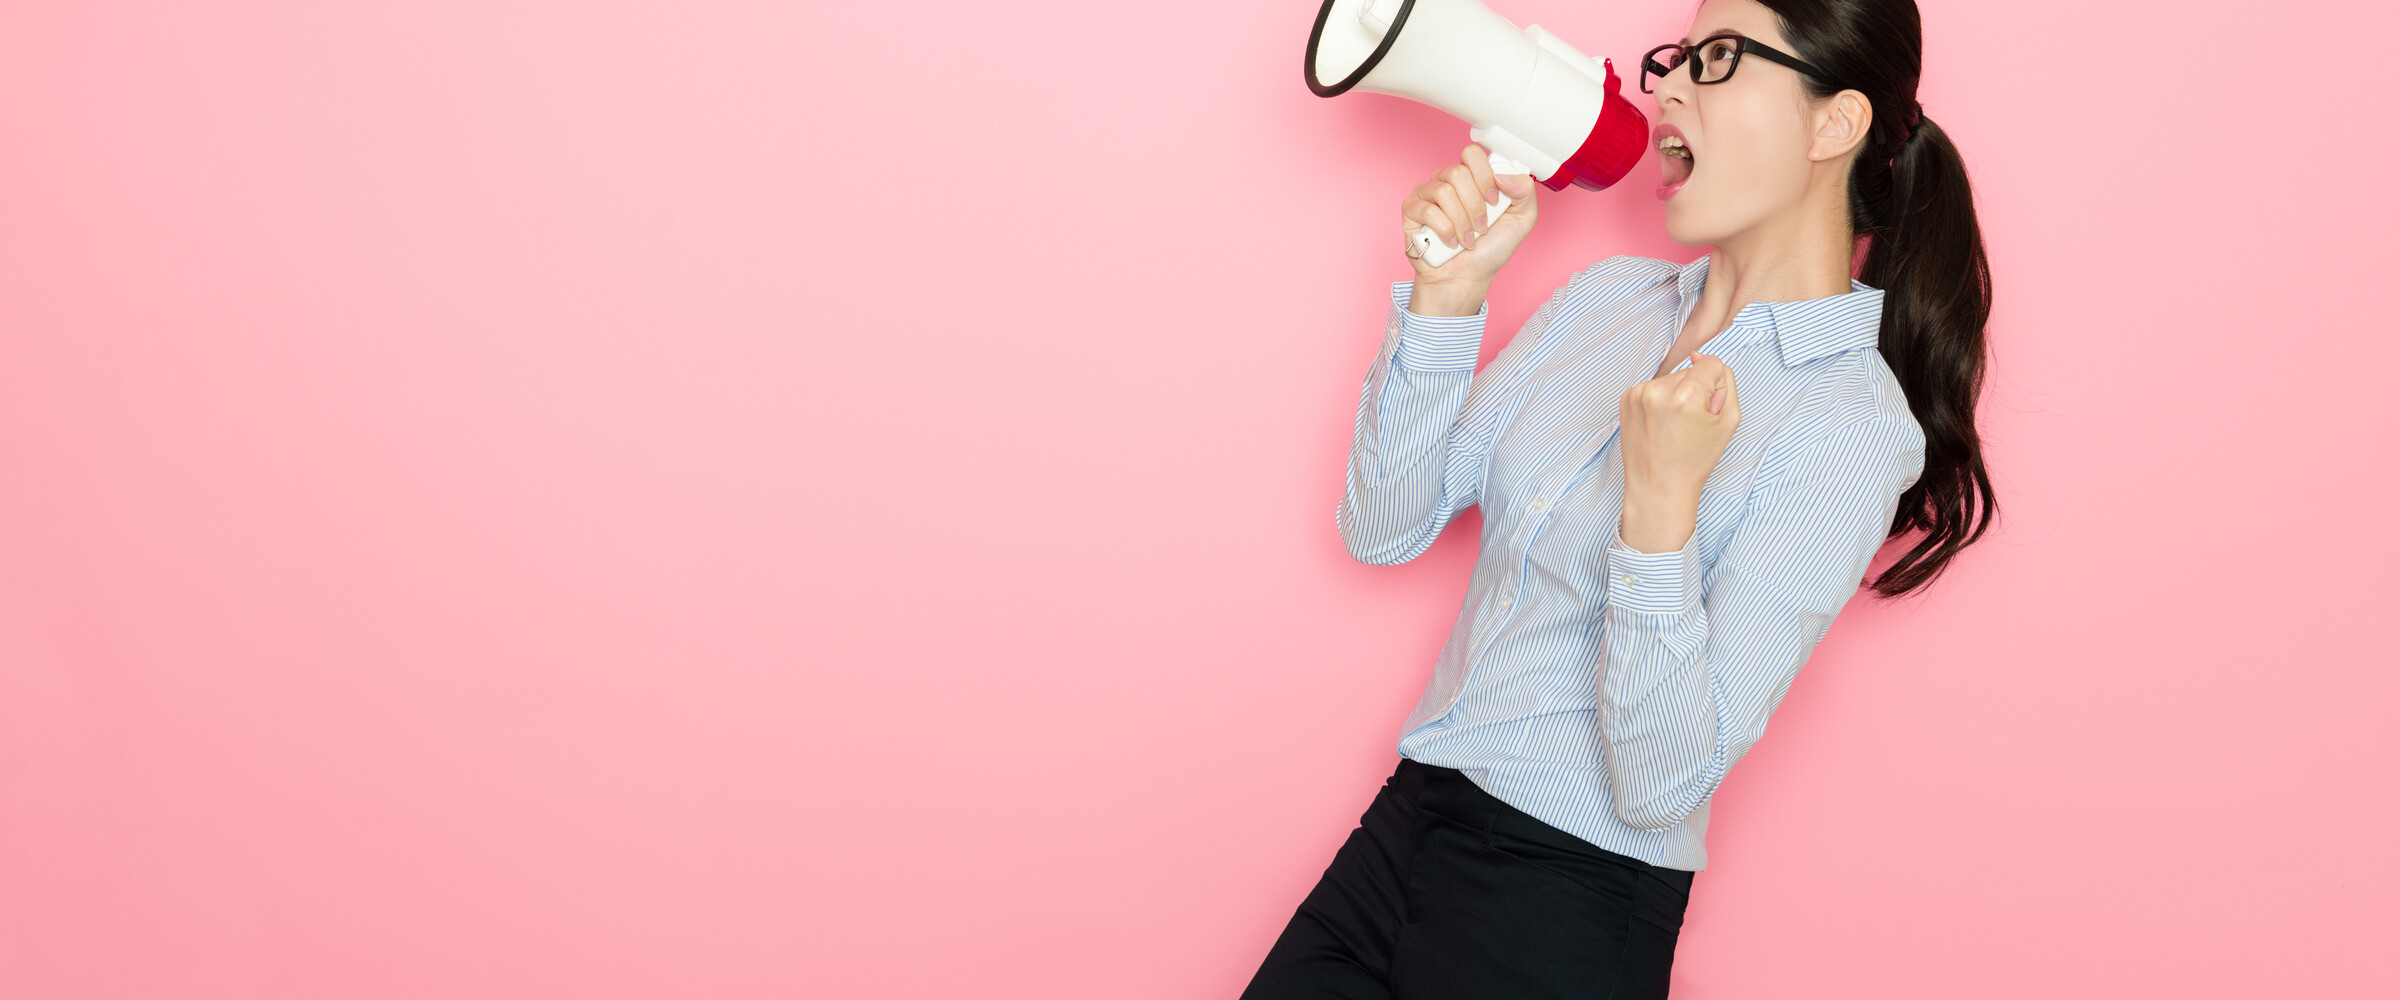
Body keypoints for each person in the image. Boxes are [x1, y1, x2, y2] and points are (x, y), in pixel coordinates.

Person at [1240, 0, 1998, 995]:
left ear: (1835, 125)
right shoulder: (1608, 300)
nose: (1670, 85)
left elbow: (1661, 781)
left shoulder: (1851, 427)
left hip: (1563, 909)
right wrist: (1446, 300)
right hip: (1405, 831)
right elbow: (1384, 527)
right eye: (1674, 58)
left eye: (1719, 59)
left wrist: (1661, 510)